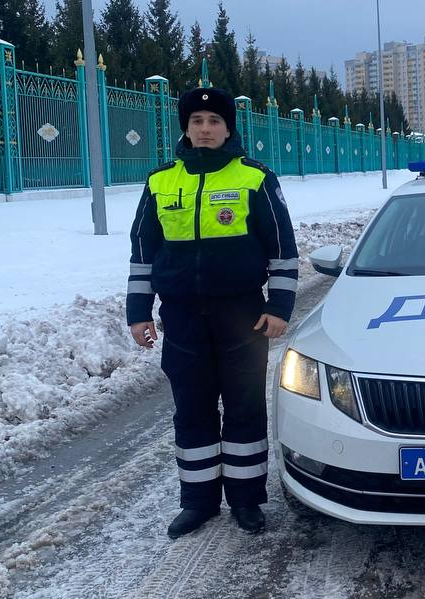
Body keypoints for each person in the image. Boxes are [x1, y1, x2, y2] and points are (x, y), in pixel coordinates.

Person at [126, 87, 298, 538]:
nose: (205, 129)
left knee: (243, 406)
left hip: (242, 314)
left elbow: (282, 250)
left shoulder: (255, 178)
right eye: (197, 120)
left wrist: (279, 306)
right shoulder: (160, 181)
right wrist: (139, 312)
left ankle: (246, 500)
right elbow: (143, 253)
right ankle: (198, 501)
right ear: (185, 127)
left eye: (214, 121)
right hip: (181, 315)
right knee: (192, 407)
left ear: (228, 128)